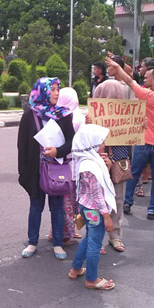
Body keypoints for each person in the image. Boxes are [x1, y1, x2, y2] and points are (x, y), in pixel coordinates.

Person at [107, 57, 154, 220]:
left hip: (143, 142)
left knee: (134, 173)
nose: (150, 82)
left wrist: (117, 67)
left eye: (152, 80)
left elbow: (128, 79)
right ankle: (153, 209)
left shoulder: (147, 96)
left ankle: (127, 202)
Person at [17, 77, 75, 260]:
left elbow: (71, 141)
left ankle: (58, 243)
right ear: (43, 91)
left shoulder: (63, 115)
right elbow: (22, 145)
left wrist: (58, 151)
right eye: (53, 89)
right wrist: (23, 172)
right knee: (36, 206)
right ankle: (32, 242)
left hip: (56, 168)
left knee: (56, 207)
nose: (57, 93)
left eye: (58, 89)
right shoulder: (30, 114)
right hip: (35, 169)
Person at [68, 124, 116, 290]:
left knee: (89, 239)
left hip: (87, 207)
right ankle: (92, 279)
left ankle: (75, 269)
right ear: (92, 143)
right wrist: (107, 216)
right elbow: (97, 195)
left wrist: (107, 166)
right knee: (95, 244)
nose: (104, 145)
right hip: (95, 210)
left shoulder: (87, 160)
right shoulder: (91, 166)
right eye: (101, 142)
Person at [93, 80, 132, 253]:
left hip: (118, 162)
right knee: (98, 201)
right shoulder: (92, 116)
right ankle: (96, 238)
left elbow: (133, 138)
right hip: (98, 163)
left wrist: (139, 127)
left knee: (117, 199)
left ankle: (115, 236)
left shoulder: (127, 115)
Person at [49, 87, 84, 244]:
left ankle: (59, 231)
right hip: (74, 165)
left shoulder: (58, 115)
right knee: (70, 202)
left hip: (62, 164)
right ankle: (66, 234)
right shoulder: (78, 117)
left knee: (64, 202)